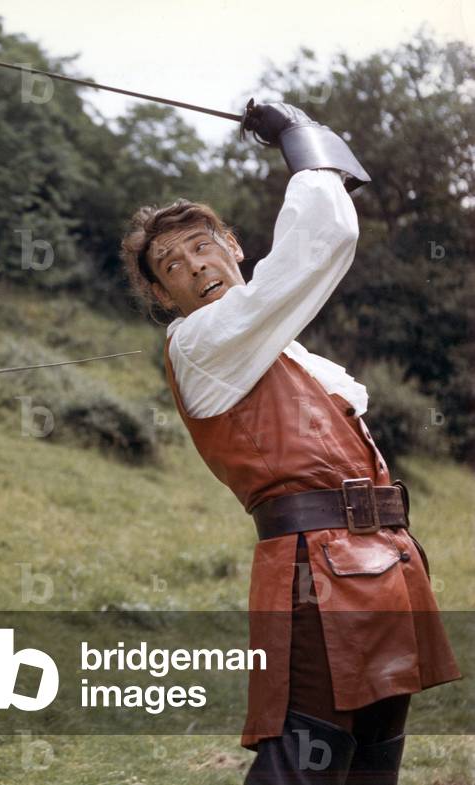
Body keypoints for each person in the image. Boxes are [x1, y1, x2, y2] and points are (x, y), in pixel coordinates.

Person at [119, 103, 460, 784]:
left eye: (201, 242)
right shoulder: (200, 340)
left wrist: (325, 172)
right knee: (307, 752)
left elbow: (305, 273)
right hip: (314, 573)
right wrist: (299, 140)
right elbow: (319, 242)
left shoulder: (283, 351)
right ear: (161, 296)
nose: (193, 263)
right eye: (170, 264)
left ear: (233, 244)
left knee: (374, 751)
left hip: (382, 560)